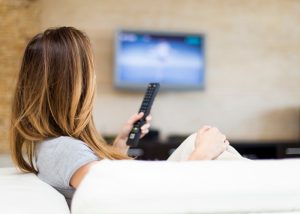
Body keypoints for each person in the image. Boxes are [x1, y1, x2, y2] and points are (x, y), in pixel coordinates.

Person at [10, 27, 233, 206]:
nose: (94, 78)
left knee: (199, 141)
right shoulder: (64, 150)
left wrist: (121, 142)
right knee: (212, 148)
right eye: (91, 70)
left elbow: (105, 183)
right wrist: (201, 156)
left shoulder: (50, 145)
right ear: (75, 84)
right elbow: (135, 200)